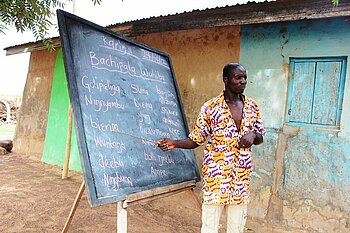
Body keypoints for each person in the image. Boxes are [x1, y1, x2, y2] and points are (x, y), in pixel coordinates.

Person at [157, 62, 266, 233]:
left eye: (245, 77)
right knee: (210, 227)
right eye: (238, 77)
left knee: (236, 228)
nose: (243, 81)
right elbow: (196, 139)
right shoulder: (211, 108)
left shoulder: (253, 106)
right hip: (216, 177)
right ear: (226, 80)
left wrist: (253, 135)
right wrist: (175, 143)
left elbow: (260, 137)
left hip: (241, 178)